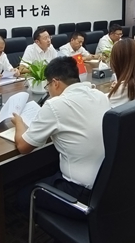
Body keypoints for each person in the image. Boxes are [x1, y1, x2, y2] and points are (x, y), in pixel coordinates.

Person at [12, 57, 110, 218]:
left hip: (81, 195)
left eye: (48, 86)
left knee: (23, 197)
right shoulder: (100, 95)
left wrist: (19, 122)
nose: (48, 92)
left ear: (55, 83)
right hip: (107, 184)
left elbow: (23, 146)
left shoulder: (55, 105)